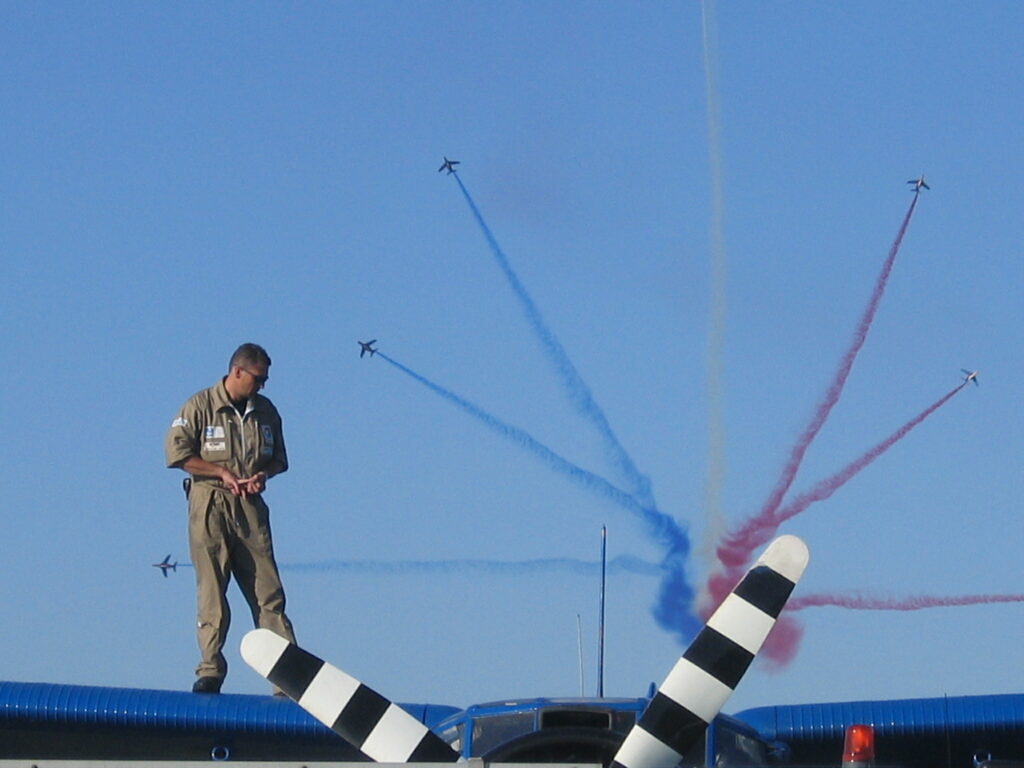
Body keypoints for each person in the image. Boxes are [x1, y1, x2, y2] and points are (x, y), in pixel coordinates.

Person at [165, 343, 296, 694]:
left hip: (250, 506)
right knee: (212, 591)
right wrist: (219, 473)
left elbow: (280, 458)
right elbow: (177, 454)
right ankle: (210, 669)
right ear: (237, 371)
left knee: (268, 592)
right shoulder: (200, 406)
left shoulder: (266, 412)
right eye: (258, 378)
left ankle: (286, 675)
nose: (262, 386)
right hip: (209, 504)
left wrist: (263, 475)